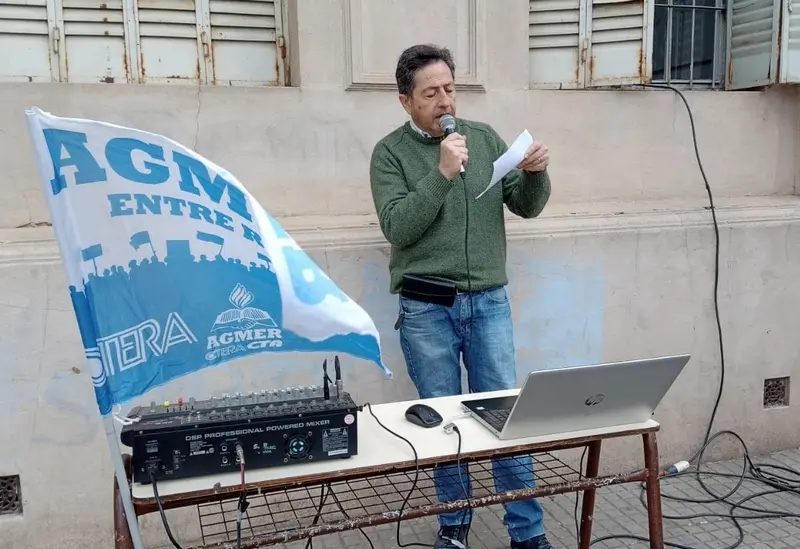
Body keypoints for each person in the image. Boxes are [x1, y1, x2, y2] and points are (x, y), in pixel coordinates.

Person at [369, 44, 554, 549]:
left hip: (488, 302)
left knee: (503, 415)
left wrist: (535, 173)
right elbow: (398, 227)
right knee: (443, 420)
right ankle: (454, 526)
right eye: (430, 93)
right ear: (406, 101)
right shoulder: (390, 153)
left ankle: (528, 532)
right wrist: (442, 173)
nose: (445, 101)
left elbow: (526, 206)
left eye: (449, 89)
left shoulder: (485, 137)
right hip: (427, 308)